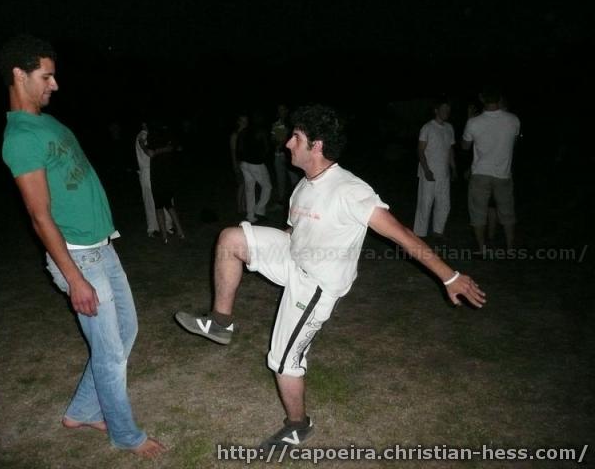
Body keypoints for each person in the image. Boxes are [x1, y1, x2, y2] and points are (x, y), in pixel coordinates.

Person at [175, 105, 485, 450]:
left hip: (316, 284)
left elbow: (403, 235)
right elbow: (295, 231)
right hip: (294, 256)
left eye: (296, 137)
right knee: (231, 239)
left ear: (317, 145)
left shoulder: (350, 190)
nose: (287, 143)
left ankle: (298, 425)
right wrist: (267, 250)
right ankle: (220, 322)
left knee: (284, 360)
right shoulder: (303, 186)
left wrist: (449, 277)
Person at [0, 35, 165, 458]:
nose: (54, 85)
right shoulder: (20, 137)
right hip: (78, 257)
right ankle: (125, 435)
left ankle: (81, 411)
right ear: (19, 75)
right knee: (110, 353)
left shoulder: (48, 124)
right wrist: (74, 278)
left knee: (126, 332)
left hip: (102, 246)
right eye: (46, 76)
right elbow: (39, 215)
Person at [462, 87, 520, 251]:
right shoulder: (513, 120)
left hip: (480, 173)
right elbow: (513, 142)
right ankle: (510, 248)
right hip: (503, 173)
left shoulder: (474, 122)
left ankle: (482, 249)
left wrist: (469, 120)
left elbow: (465, 146)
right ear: (499, 98)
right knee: (507, 212)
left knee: (478, 213)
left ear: (481, 98)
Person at [412, 97, 457, 238]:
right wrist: (426, 170)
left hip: (444, 173)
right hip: (429, 173)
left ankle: (438, 232)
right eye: (444, 109)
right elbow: (420, 150)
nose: (446, 112)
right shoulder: (427, 127)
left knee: (444, 204)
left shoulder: (449, 128)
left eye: (448, 110)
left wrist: (453, 168)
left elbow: (450, 149)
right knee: (425, 204)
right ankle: (420, 234)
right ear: (436, 110)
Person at [136, 122, 173, 237]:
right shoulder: (142, 136)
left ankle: (167, 226)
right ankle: (153, 228)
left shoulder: (154, 134)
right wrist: (165, 149)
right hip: (148, 172)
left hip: (157, 171)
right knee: (151, 201)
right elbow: (150, 153)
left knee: (163, 199)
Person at [238, 112, 273, 223]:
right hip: (256, 163)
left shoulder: (243, 131)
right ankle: (259, 209)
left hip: (244, 163)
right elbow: (266, 148)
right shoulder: (261, 131)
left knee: (249, 189)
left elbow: (239, 148)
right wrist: (261, 157)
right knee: (267, 187)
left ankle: (250, 215)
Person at [150, 142, 186, 242]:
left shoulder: (154, 139)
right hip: (163, 174)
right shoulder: (165, 142)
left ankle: (167, 235)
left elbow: (150, 153)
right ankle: (176, 232)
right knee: (166, 204)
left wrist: (145, 146)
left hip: (161, 175)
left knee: (161, 205)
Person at [271, 103, 300, 205]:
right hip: (278, 154)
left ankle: (296, 200)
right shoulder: (276, 124)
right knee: (280, 179)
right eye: (279, 110)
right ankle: (281, 201)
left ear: (287, 110)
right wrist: (276, 143)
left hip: (290, 156)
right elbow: (273, 138)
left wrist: (284, 142)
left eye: (283, 109)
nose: (281, 112)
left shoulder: (292, 124)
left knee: (294, 179)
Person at [229, 113, 248, 214]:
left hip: (246, 163)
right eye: (242, 121)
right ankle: (239, 207)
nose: (244, 123)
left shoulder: (246, 134)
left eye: (246, 121)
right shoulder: (235, 135)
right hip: (239, 163)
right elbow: (233, 151)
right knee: (241, 185)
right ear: (238, 122)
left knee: (245, 185)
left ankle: (243, 206)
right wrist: (235, 164)